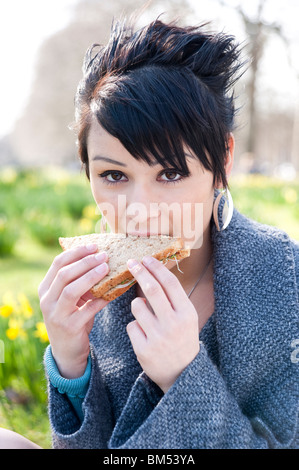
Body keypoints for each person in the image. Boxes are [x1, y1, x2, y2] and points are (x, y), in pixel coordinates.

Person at [37, 13, 298, 449]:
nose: (139, 210)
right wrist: (70, 363)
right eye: (114, 176)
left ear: (223, 160)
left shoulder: (284, 279)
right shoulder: (97, 290)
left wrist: (183, 374)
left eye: (172, 173)